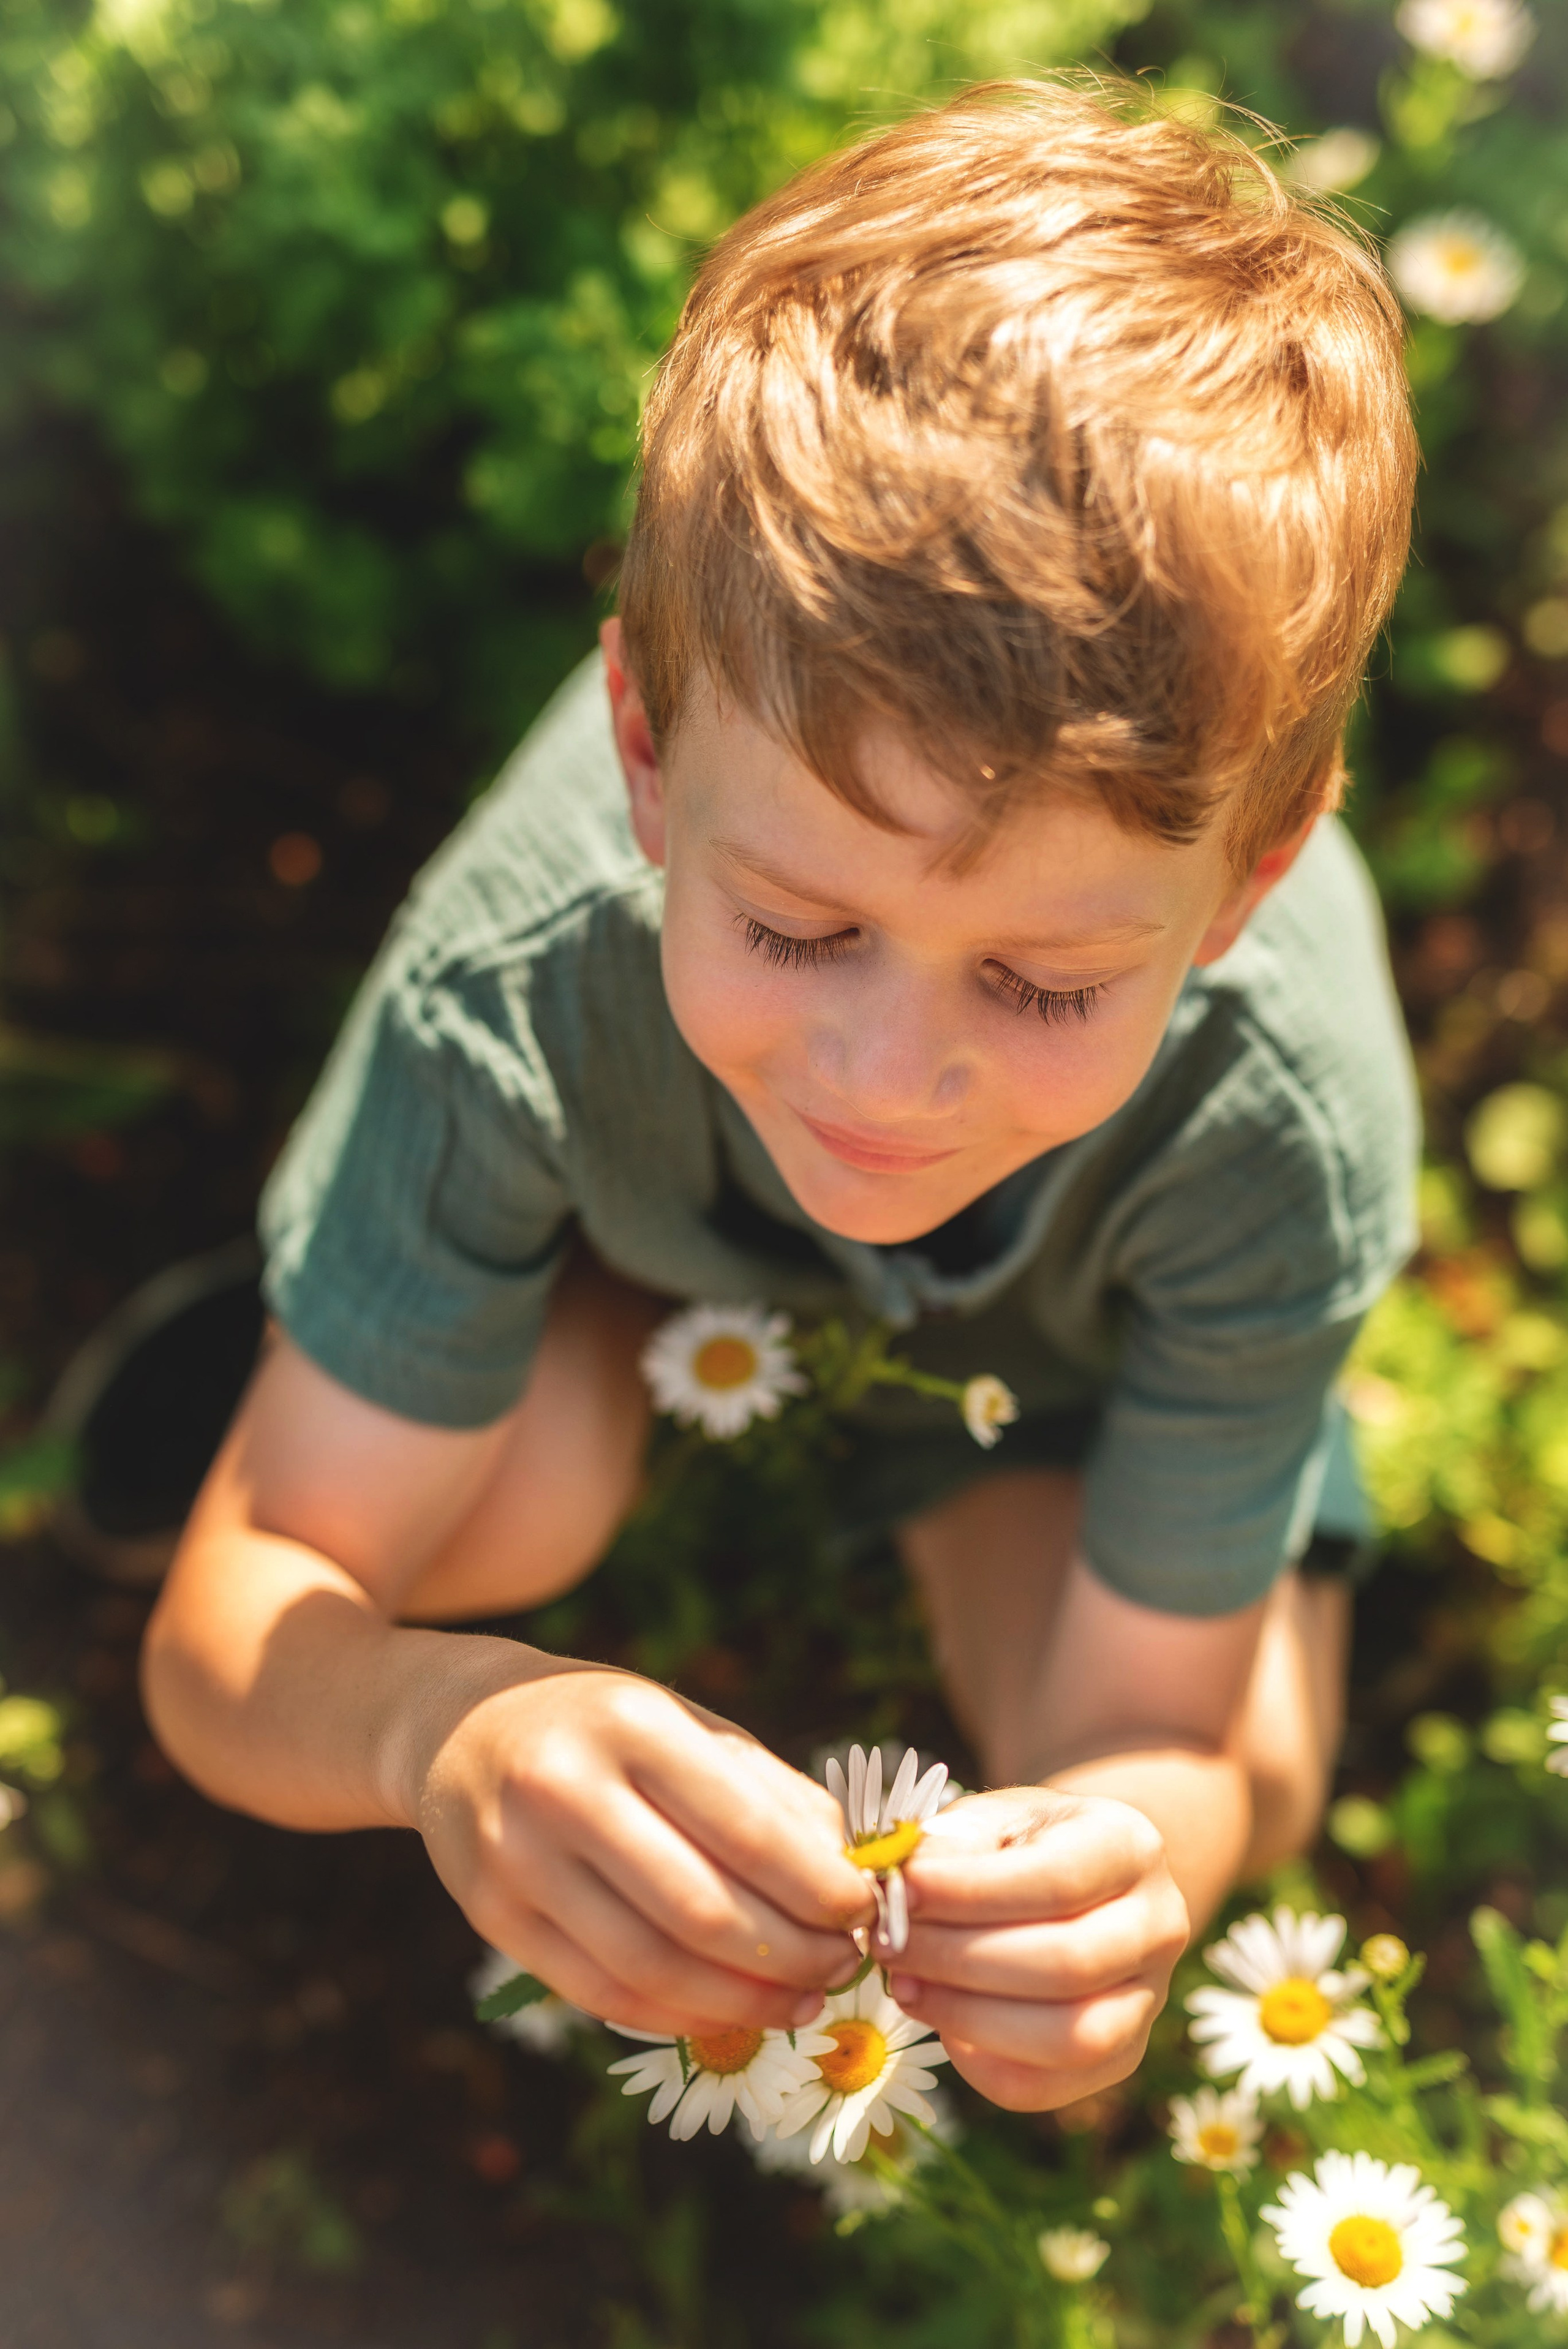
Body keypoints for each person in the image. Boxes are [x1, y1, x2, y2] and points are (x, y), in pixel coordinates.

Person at [140, 78, 1419, 2117]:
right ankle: (436, 1306)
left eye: (1044, 980)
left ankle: (596, 1346)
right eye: (801, 927)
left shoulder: (1286, 1126)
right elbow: (231, 1635)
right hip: (655, 1243)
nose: (889, 1075)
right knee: (509, 1492)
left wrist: (1123, 1875)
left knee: (1239, 1766)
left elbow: (1155, 1726)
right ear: (647, 753)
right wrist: (431, 1726)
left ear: (1247, 888)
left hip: (1047, 1364)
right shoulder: (521, 982)